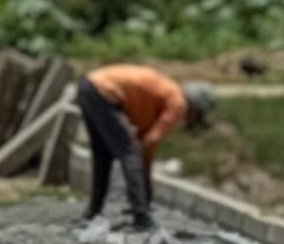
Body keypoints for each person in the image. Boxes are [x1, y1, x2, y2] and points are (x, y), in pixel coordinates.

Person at [72, 63, 213, 231]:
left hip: (88, 87)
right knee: (130, 151)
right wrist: (145, 192)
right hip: (104, 91)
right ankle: (141, 215)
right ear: (195, 107)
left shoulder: (162, 96)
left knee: (103, 155)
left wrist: (145, 183)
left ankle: (94, 211)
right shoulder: (178, 103)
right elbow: (148, 143)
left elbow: (145, 146)